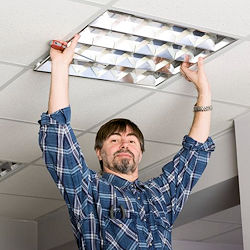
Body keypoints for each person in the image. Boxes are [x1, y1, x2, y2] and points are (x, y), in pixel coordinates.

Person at [38, 34, 215, 250]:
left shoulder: (160, 195)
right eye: (114, 139)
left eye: (132, 140)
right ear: (99, 152)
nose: (124, 144)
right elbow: (59, 139)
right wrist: (60, 65)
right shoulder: (88, 192)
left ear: (140, 152)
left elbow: (194, 154)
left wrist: (204, 91)